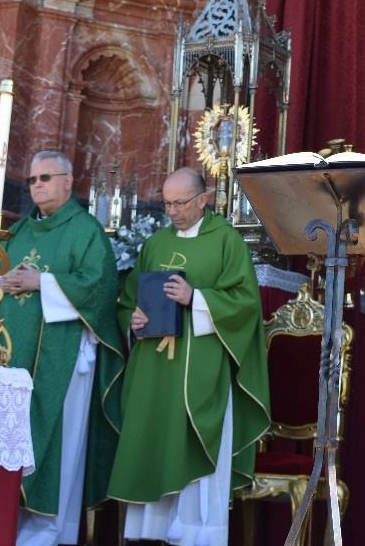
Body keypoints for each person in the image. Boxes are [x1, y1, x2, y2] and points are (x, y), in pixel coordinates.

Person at [109, 168, 269, 545]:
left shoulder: (226, 241)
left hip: (200, 366)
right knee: (153, 438)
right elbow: (130, 297)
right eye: (166, 203)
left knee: (195, 442)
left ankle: (198, 535)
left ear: (203, 199)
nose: (172, 211)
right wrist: (133, 317)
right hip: (154, 366)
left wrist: (195, 298)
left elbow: (246, 304)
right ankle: (152, 532)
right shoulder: (156, 244)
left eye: (180, 203)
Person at [0, 150, 124, 546]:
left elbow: (100, 287)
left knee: (58, 442)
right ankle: (5, 523)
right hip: (12, 352)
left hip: (63, 355)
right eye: (33, 179)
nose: (37, 185)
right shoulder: (18, 232)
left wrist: (43, 283)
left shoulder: (87, 231)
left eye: (45, 178)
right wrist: (2, 282)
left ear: (68, 181)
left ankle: (51, 532)